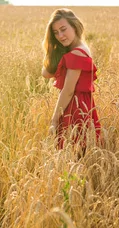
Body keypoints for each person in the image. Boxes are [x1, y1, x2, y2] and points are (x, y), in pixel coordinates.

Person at [42, 8, 101, 150]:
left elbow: (68, 91)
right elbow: (46, 73)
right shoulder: (79, 48)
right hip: (82, 106)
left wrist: (54, 120)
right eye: (55, 33)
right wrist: (53, 48)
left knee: (72, 152)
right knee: (79, 153)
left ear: (74, 26)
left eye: (63, 29)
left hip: (75, 109)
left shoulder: (77, 53)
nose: (60, 36)